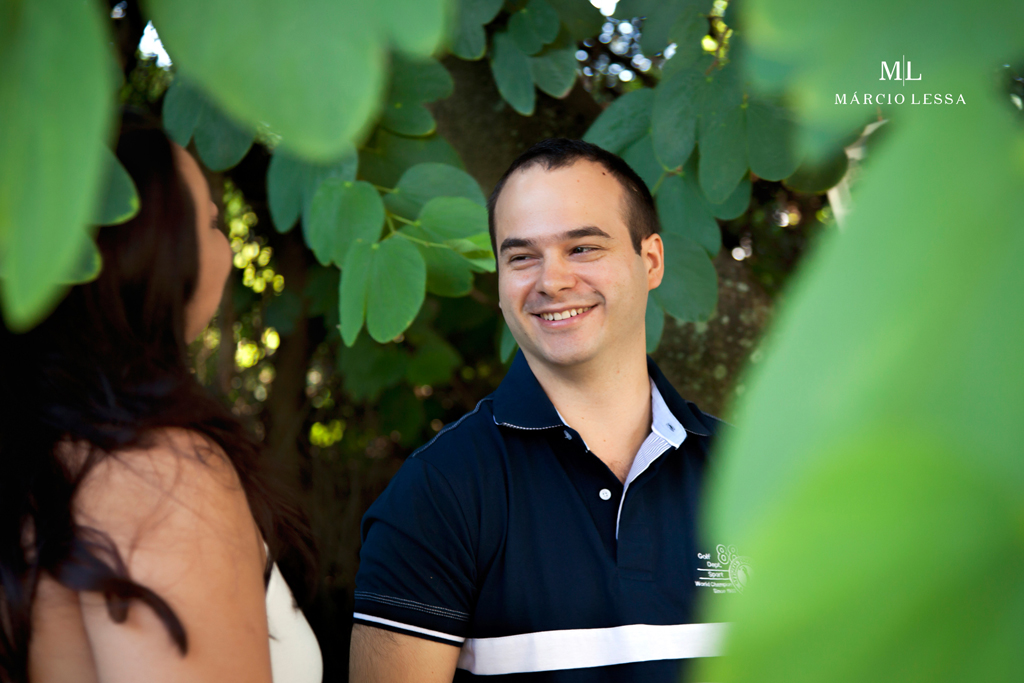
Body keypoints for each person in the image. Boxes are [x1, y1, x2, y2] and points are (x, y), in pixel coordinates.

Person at [350, 139, 732, 682]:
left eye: (582, 249)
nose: (551, 281)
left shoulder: (754, 474)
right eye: (523, 256)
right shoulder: (439, 492)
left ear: (650, 261)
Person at [0, 117, 322, 683]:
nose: (224, 246)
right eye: (214, 222)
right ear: (154, 255)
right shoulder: (155, 471)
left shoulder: (43, 456)